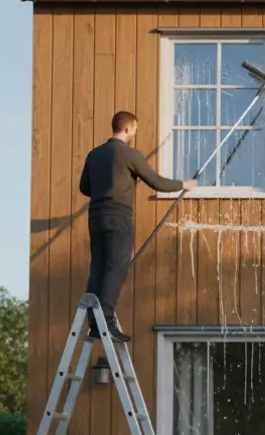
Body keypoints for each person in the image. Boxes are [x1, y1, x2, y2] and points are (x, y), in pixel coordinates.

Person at [78, 110, 195, 342]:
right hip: (119, 217)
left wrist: (106, 188)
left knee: (98, 268)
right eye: (134, 131)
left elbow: (85, 188)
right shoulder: (129, 154)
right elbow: (157, 182)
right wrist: (184, 184)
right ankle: (106, 321)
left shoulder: (94, 155)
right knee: (117, 267)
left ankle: (94, 322)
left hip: (96, 217)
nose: (134, 135)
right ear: (128, 129)